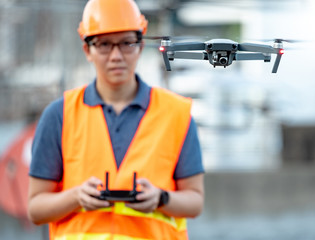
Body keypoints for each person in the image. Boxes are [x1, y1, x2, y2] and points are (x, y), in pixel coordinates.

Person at [27, 0, 204, 239]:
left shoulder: (176, 113)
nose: (116, 55)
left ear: (140, 46)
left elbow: (195, 201)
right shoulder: (59, 115)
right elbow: (35, 209)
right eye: (104, 45)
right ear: (87, 50)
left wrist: (161, 198)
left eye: (126, 43)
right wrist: (76, 197)